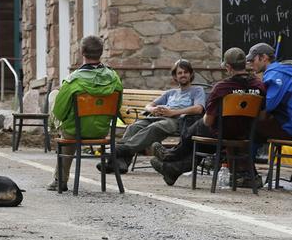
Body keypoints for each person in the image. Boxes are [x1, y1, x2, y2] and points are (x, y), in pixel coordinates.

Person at [151, 47, 266, 187]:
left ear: (228, 67)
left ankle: (171, 156)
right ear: (245, 64)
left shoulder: (222, 87)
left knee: (197, 126)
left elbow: (209, 120)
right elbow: (261, 117)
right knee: (199, 138)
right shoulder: (259, 85)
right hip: (246, 134)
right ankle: (171, 170)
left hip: (221, 134)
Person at [98, 59, 205, 174]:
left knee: (156, 127)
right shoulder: (171, 93)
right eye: (180, 73)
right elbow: (148, 106)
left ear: (191, 74)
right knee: (133, 127)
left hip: (179, 121)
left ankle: (119, 151)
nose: (183, 75)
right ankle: (120, 164)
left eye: (185, 72)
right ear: (175, 76)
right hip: (159, 117)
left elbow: (199, 108)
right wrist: (153, 109)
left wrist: (173, 112)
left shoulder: (197, 90)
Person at [47, 35, 123, 192]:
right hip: (101, 130)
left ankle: (60, 179)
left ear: (82, 52)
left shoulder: (73, 80)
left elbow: (60, 113)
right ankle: (58, 178)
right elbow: (117, 107)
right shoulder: (114, 78)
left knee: (55, 97)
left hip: (75, 130)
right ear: (101, 52)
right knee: (74, 126)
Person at [246, 42, 292, 143]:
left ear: (264, 57)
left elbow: (269, 105)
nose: (251, 64)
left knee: (247, 127)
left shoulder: (275, 75)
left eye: (252, 60)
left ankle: (244, 159)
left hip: (290, 128)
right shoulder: (285, 71)